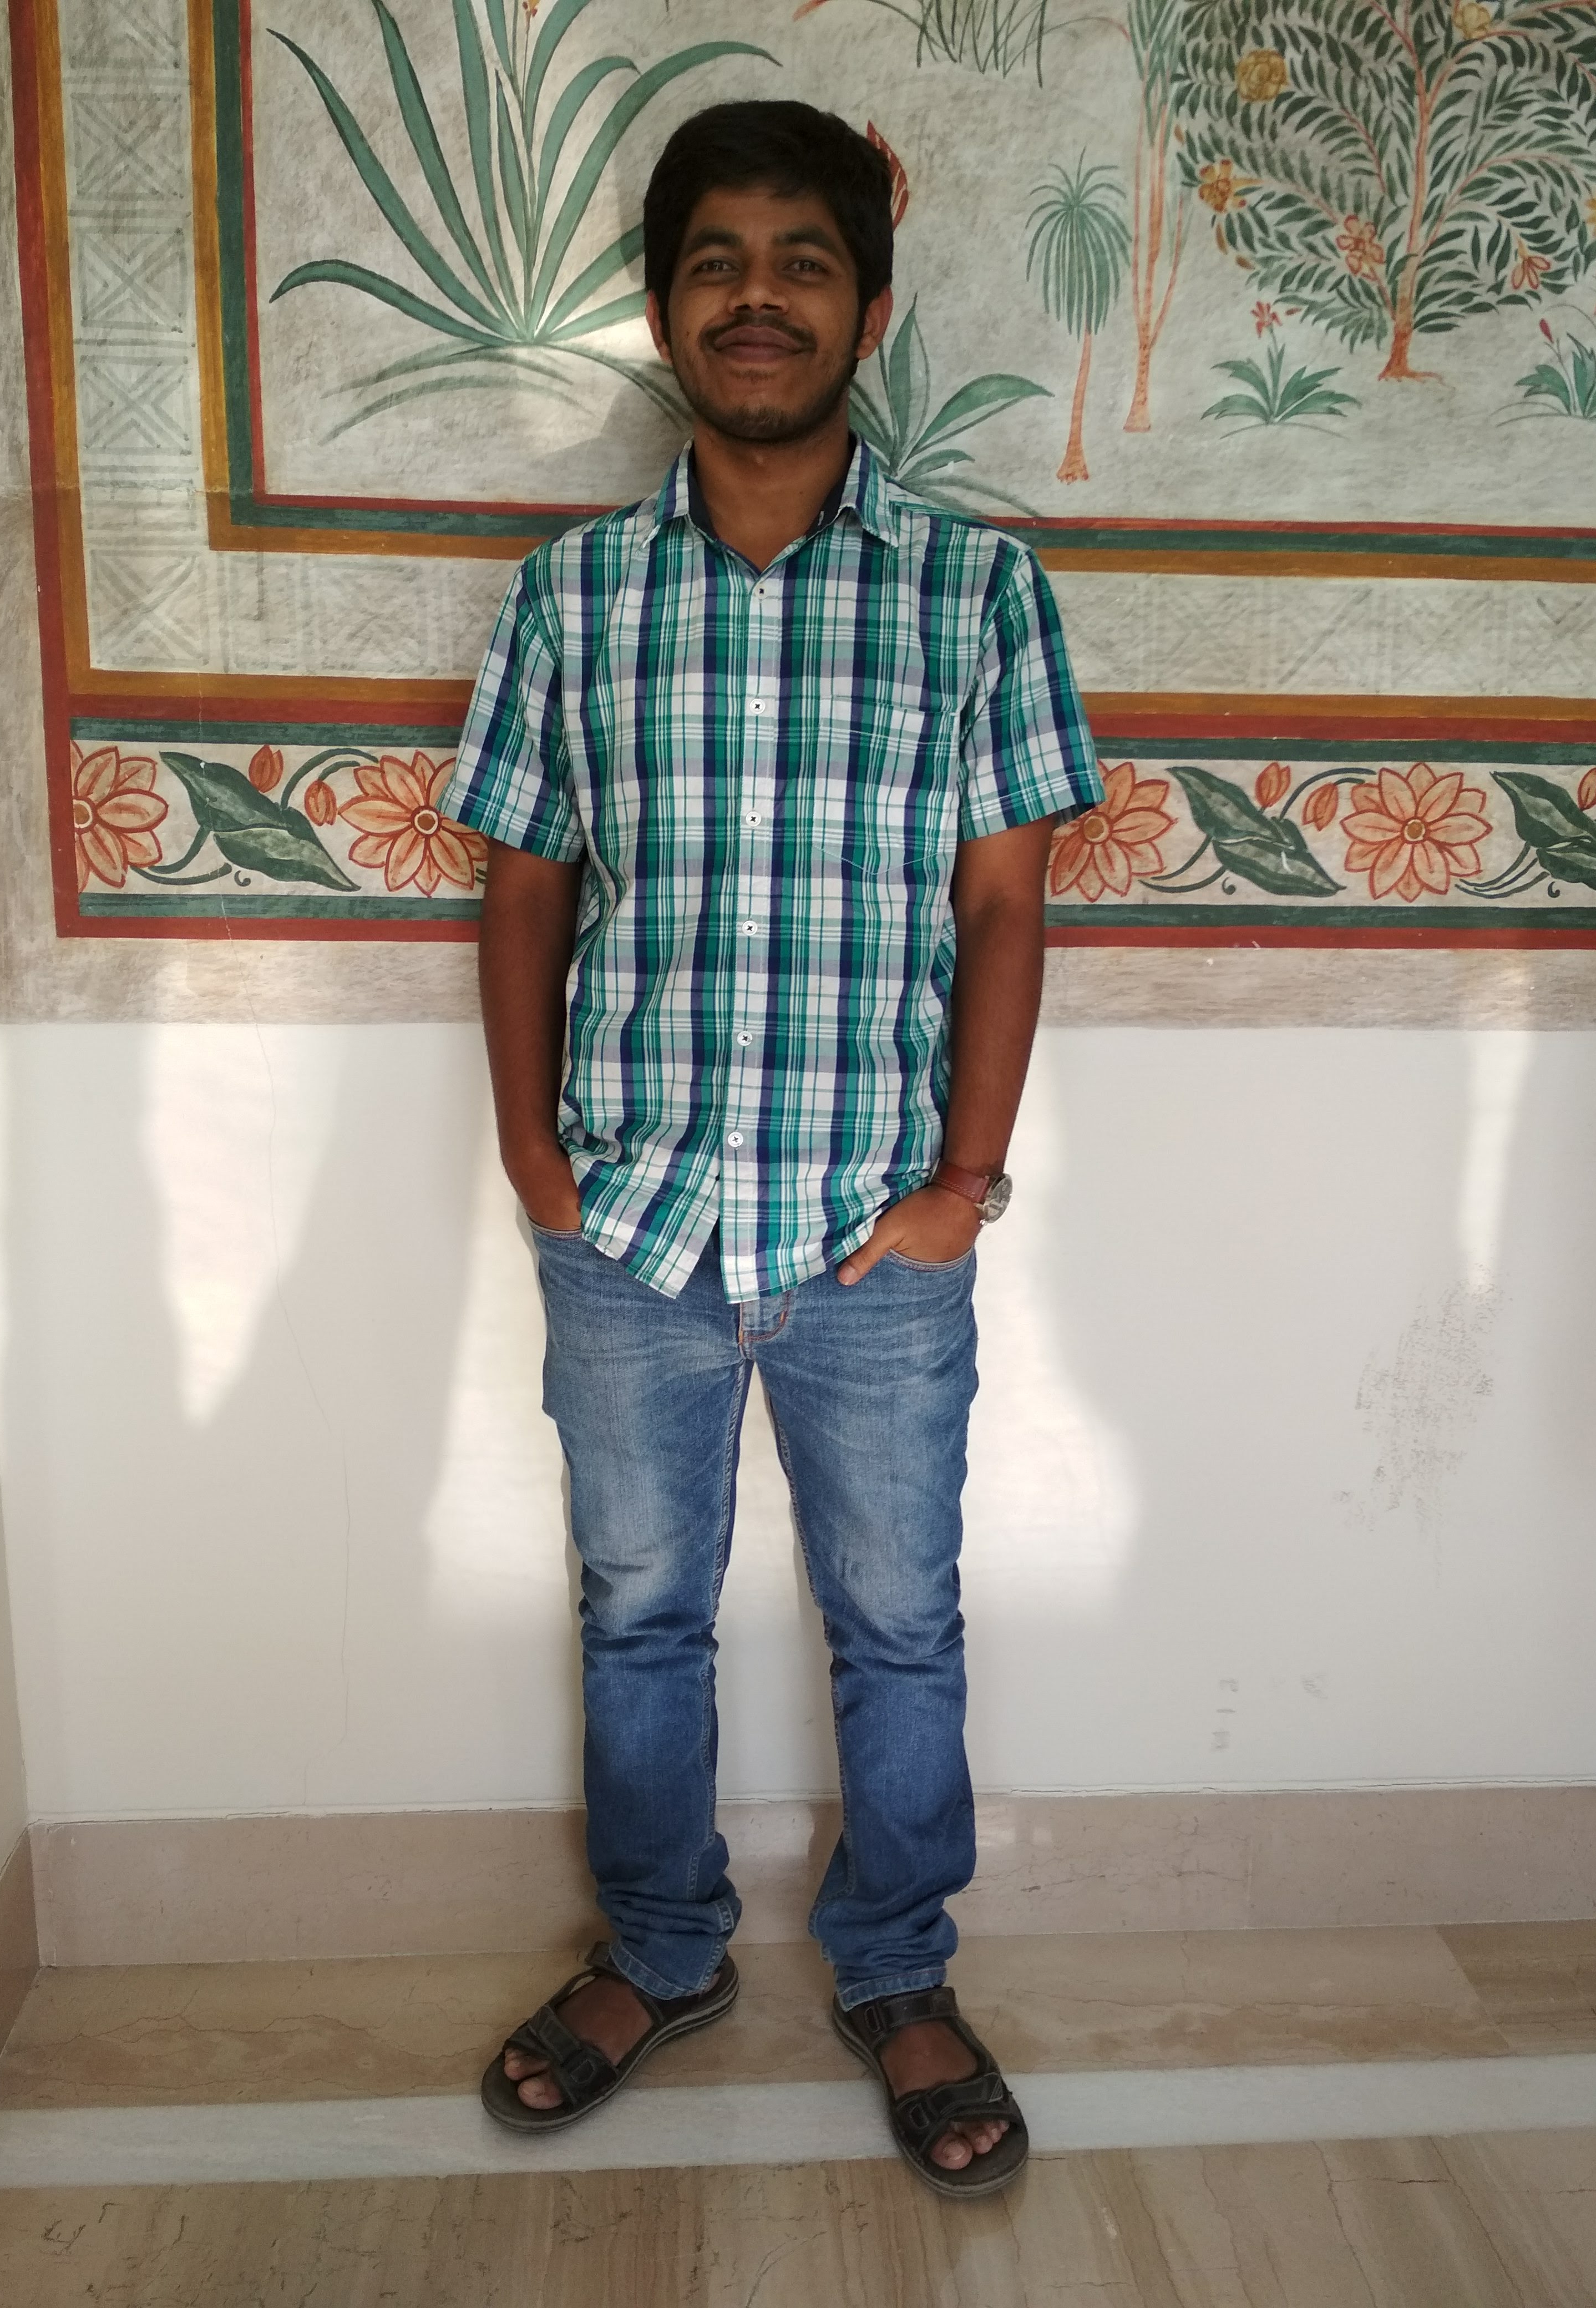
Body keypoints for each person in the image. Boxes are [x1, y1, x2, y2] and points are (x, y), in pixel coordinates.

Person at [442, 99, 1101, 2199]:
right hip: (628, 1223)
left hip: (872, 1233)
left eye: (803, 261)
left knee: (897, 1623)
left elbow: (1006, 907)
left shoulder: (978, 592)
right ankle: (662, 1953)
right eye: (716, 261)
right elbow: (524, 889)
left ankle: (899, 1971)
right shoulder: (573, 599)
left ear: (868, 313)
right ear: (663, 314)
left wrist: (960, 1189)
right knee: (639, 1611)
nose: (758, 296)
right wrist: (536, 1159)